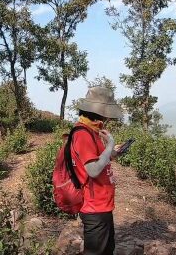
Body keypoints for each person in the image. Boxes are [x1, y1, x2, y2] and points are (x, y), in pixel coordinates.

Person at [71, 86, 124, 255]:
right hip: (94, 208)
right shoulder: (83, 134)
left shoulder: (93, 131)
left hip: (103, 205)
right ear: (100, 112)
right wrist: (109, 145)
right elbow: (93, 170)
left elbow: (98, 159)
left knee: (107, 250)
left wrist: (112, 151)